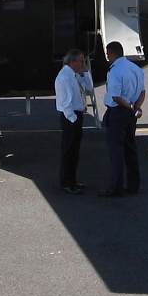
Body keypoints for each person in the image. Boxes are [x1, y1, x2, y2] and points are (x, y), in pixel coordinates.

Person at [98, 40, 145, 197]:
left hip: (119, 112)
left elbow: (116, 97)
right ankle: (133, 185)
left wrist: (130, 107)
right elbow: (143, 92)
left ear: (112, 54)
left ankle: (116, 187)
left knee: (116, 151)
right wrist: (136, 107)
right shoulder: (136, 69)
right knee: (130, 149)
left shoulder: (115, 71)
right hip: (131, 113)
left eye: (108, 54)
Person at [55, 48, 92, 194]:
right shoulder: (65, 77)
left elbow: (89, 87)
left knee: (74, 152)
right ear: (72, 61)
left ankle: (73, 181)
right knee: (68, 152)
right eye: (81, 61)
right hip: (70, 118)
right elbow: (65, 103)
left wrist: (86, 70)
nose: (82, 64)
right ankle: (66, 183)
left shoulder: (74, 75)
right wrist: (74, 119)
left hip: (76, 116)